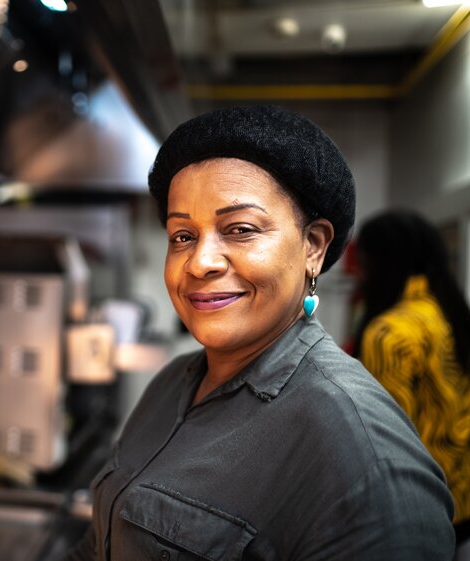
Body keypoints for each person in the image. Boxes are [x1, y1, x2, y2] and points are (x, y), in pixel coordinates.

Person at [64, 105, 454, 561]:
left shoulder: (362, 454)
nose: (200, 262)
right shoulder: (170, 384)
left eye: (241, 229)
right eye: (182, 236)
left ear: (313, 246)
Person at [353, 210, 470, 549]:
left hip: (416, 506)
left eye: (363, 260)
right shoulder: (449, 313)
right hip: (460, 495)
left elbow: (383, 440)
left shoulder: (389, 332)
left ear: (379, 262)